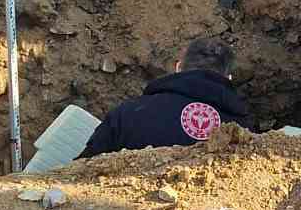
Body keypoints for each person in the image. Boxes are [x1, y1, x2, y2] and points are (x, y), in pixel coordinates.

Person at [79, 37, 250, 157]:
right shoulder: (245, 133)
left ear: (178, 67)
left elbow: (82, 170)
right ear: (228, 79)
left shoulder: (128, 114)